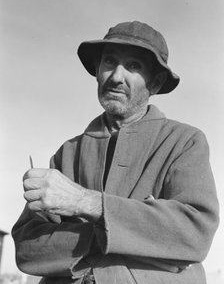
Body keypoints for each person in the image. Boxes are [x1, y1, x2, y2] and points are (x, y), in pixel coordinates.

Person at [12, 21, 219, 284]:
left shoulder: (184, 141)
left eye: (134, 66)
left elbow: (194, 234)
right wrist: (138, 235)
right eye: (109, 62)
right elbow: (28, 250)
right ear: (97, 71)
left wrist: (84, 202)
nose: (116, 76)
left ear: (154, 83)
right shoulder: (67, 153)